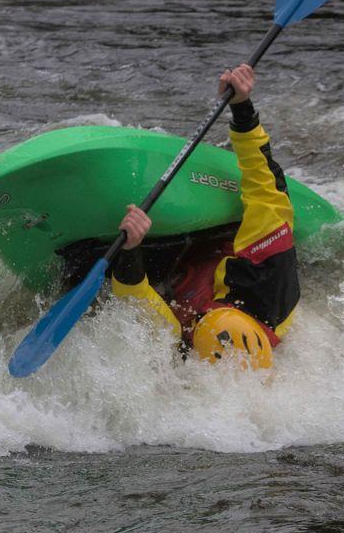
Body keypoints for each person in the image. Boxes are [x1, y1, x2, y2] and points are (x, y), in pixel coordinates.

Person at [111, 64, 298, 370]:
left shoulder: (179, 340)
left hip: (171, 276)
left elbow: (134, 299)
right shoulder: (269, 271)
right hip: (221, 247)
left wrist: (130, 249)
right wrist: (241, 107)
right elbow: (265, 184)